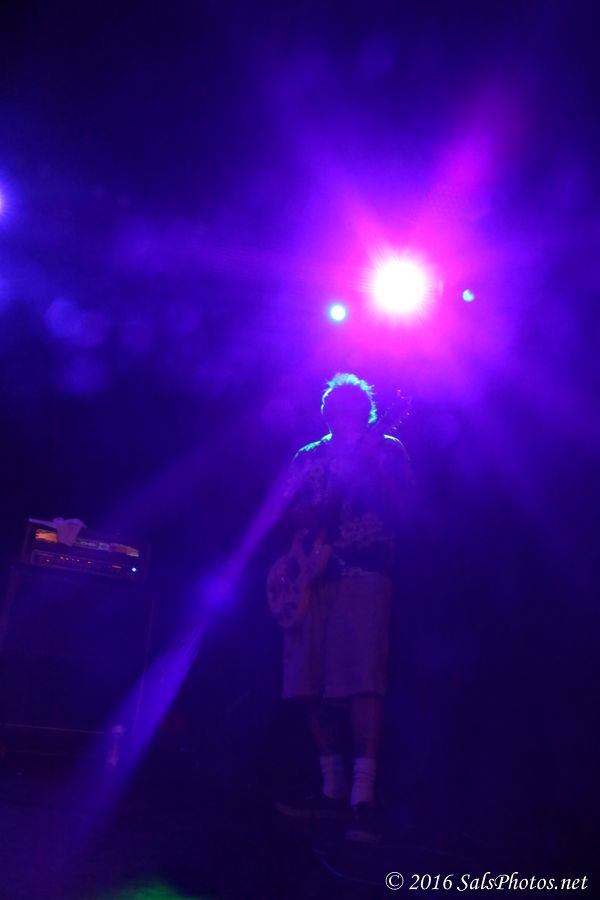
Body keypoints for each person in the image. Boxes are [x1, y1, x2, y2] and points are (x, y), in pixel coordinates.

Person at [274, 372, 414, 842]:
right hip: (311, 580)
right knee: (311, 684)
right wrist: (299, 542)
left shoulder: (387, 448)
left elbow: (405, 508)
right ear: (325, 411)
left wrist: (371, 471)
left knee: (361, 682)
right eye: (335, 405)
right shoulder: (308, 456)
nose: (343, 411)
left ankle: (362, 796)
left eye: (353, 405)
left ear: (369, 411)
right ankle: (331, 789)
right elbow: (283, 511)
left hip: (363, 572)